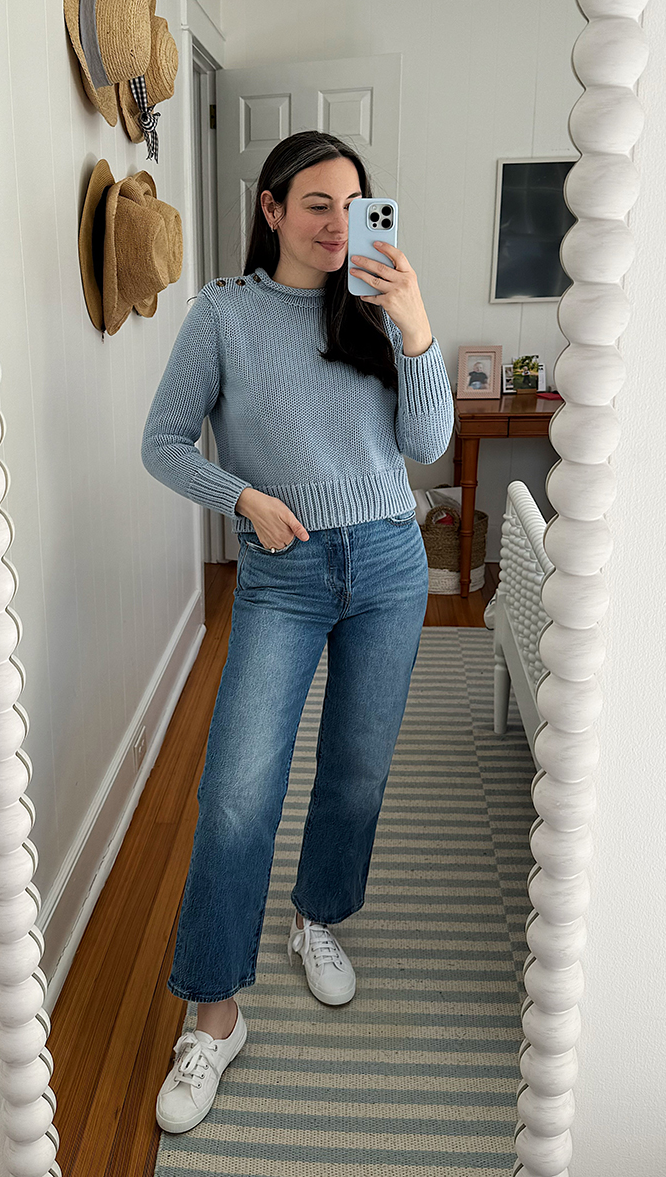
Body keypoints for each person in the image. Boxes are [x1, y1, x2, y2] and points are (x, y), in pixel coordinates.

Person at [140, 130, 454, 1134]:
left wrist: (411, 322)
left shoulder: (375, 306)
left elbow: (426, 443)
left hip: (390, 564)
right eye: (313, 203)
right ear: (270, 209)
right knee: (236, 790)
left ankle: (316, 920)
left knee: (356, 772)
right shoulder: (223, 315)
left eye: (350, 204)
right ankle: (214, 1012)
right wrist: (243, 497)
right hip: (283, 568)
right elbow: (161, 442)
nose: (333, 223)